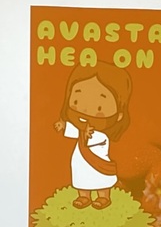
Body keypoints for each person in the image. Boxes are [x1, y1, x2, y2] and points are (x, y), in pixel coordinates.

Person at [54, 65, 130, 209]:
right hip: (80, 162)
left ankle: (104, 197)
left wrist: (87, 133)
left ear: (119, 116)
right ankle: (84, 196)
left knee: (101, 180)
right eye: (76, 102)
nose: (85, 110)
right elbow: (74, 131)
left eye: (99, 108)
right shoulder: (81, 130)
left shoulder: (101, 136)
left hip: (99, 165)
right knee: (81, 178)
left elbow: (95, 140)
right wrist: (63, 126)